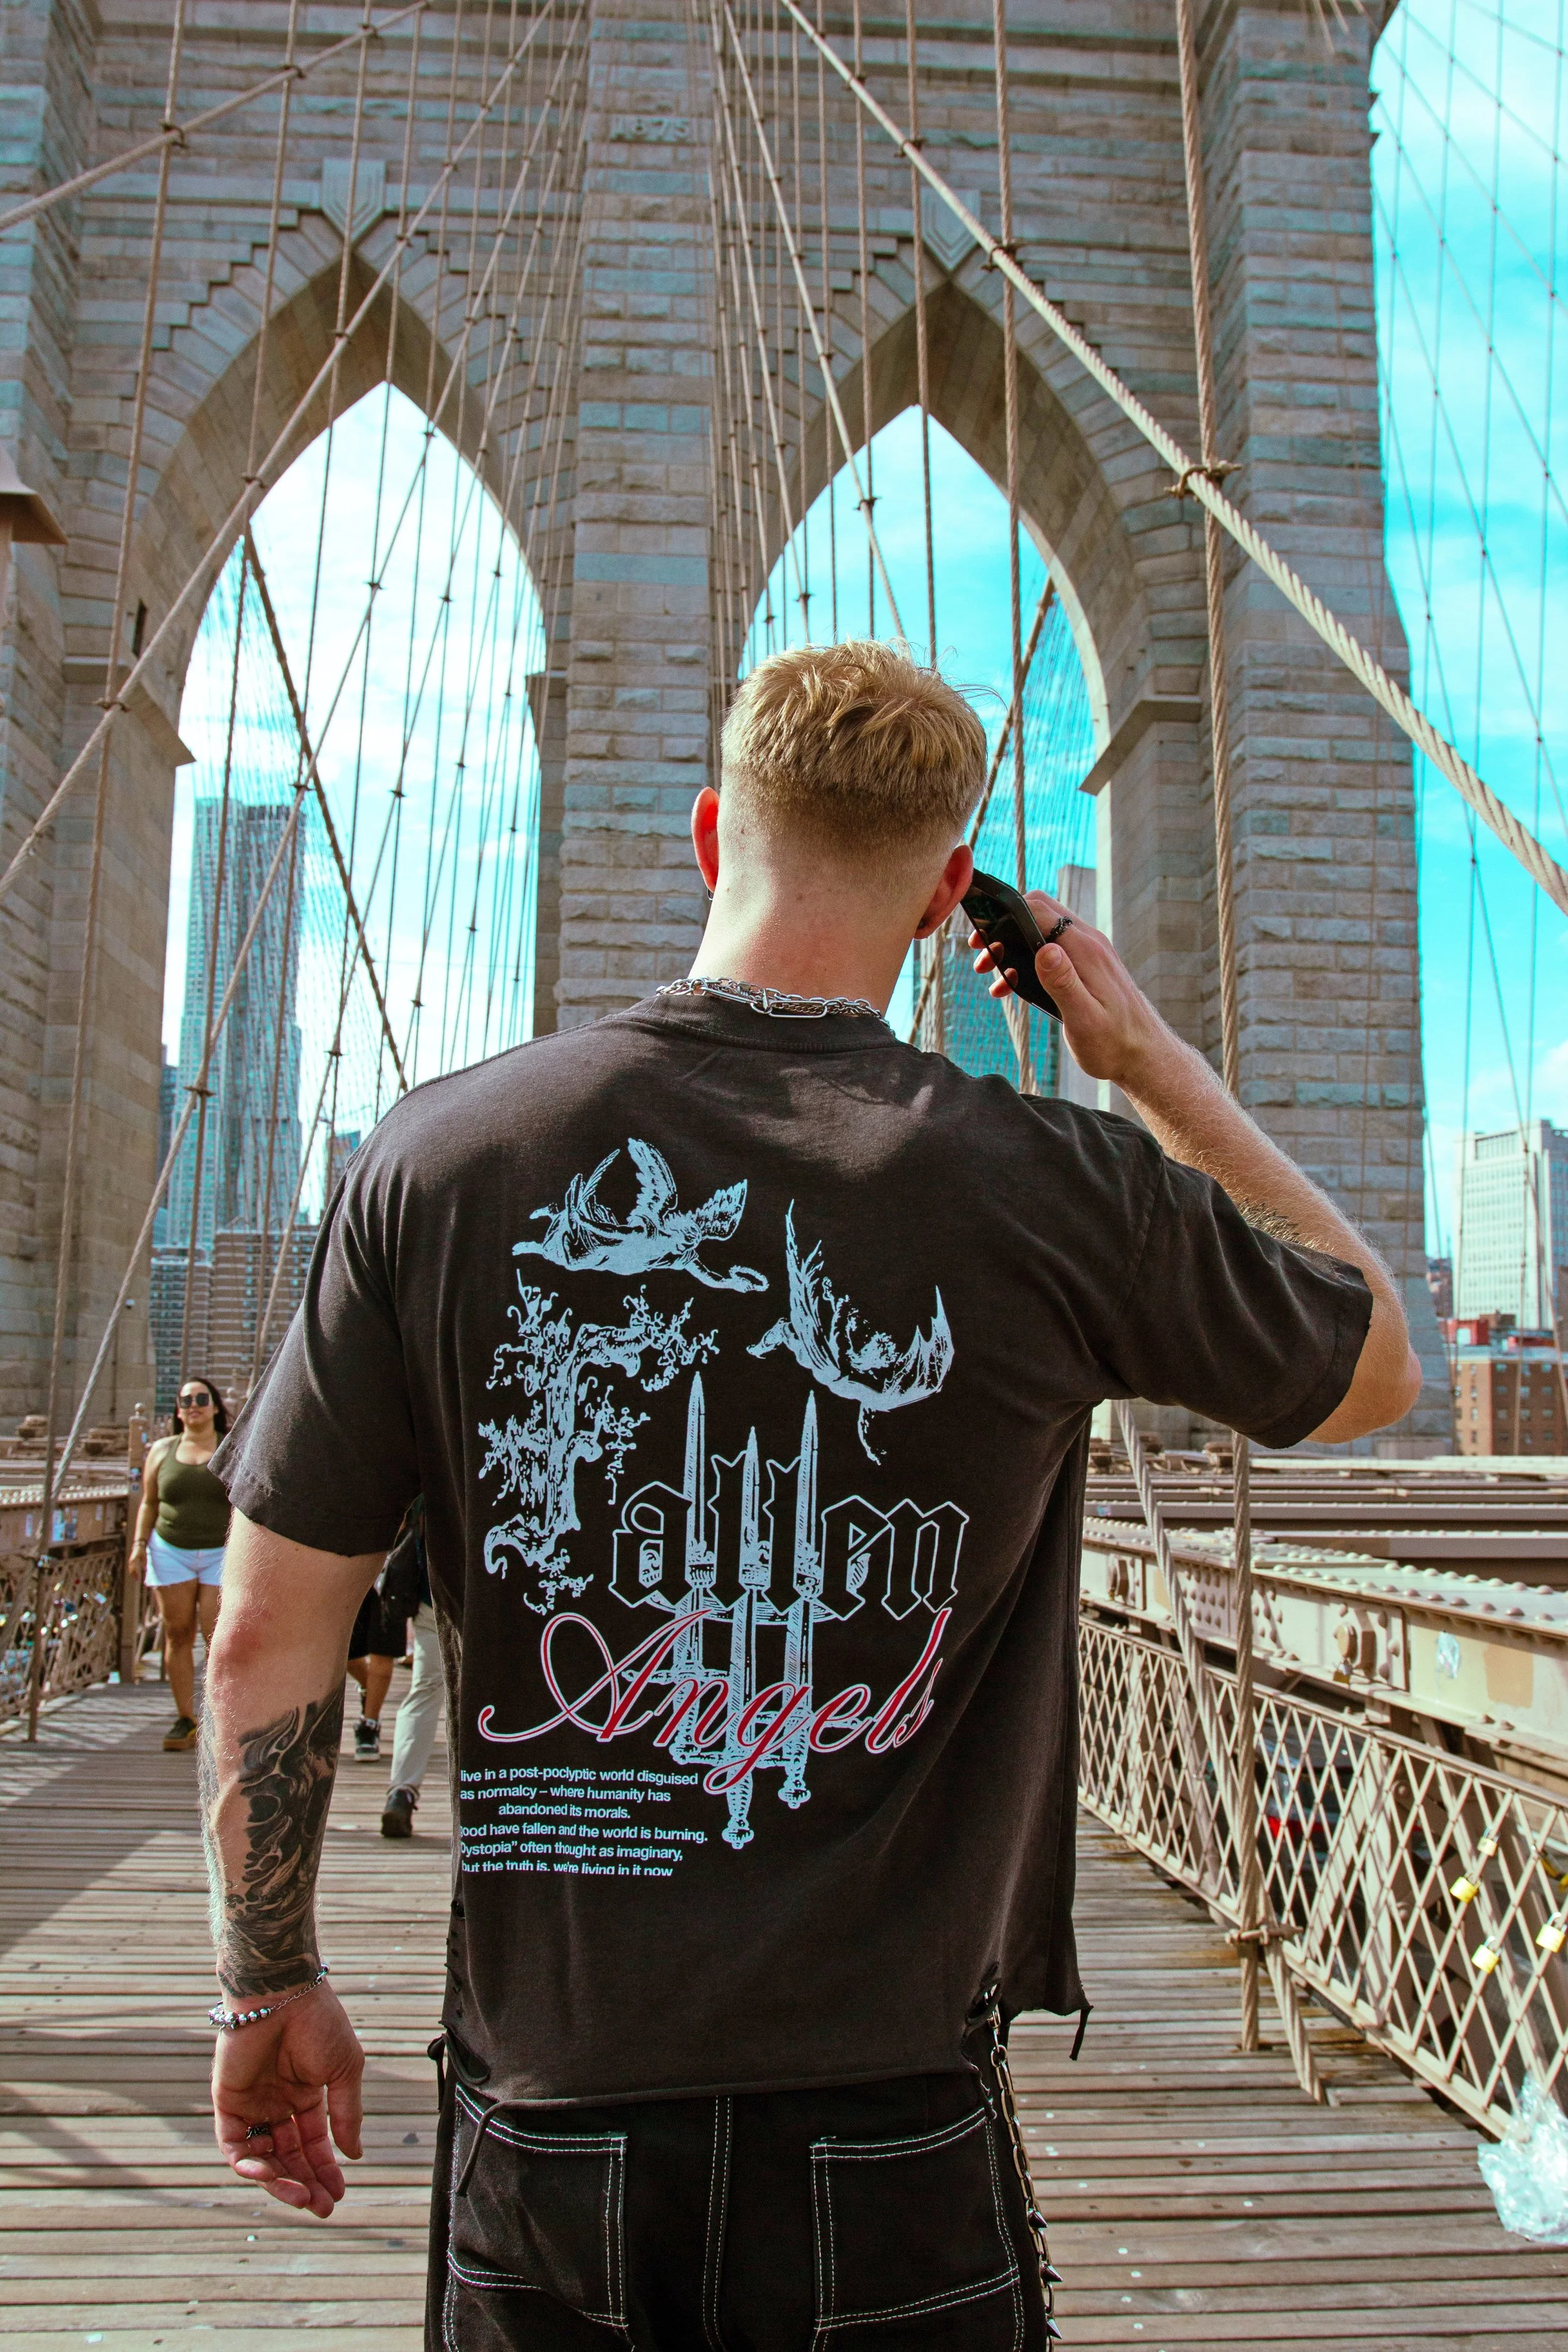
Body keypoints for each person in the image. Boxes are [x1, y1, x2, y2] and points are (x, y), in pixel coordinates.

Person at [198, 641, 1421, 2349]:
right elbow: (1374, 1363)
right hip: (892, 2126)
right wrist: (1139, 1054)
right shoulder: (1055, 1183)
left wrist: (266, 1976)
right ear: (942, 897)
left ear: (711, 832)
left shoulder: (441, 1154)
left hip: (550, 2115)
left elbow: (263, 1632)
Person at [129, 1375, 230, 1751]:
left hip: (221, 1551)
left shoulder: (231, 1447)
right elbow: (149, 1502)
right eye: (186, 1400)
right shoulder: (161, 1450)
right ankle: (187, 1718)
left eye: (202, 1399)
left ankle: (219, 1717)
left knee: (216, 1636)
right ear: (178, 1410)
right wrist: (139, 1545)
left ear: (215, 1407)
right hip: (170, 1550)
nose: (194, 1406)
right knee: (177, 1633)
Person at [379, 1497, 443, 1837]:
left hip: (432, 1598)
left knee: (424, 1692)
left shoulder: (430, 1478)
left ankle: (401, 1792)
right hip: (491, 1603)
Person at [344, 1579, 403, 1762]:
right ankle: (370, 1691)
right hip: (351, 1576)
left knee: (383, 1652)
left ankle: (369, 1724)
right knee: (346, 1654)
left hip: (392, 1578)